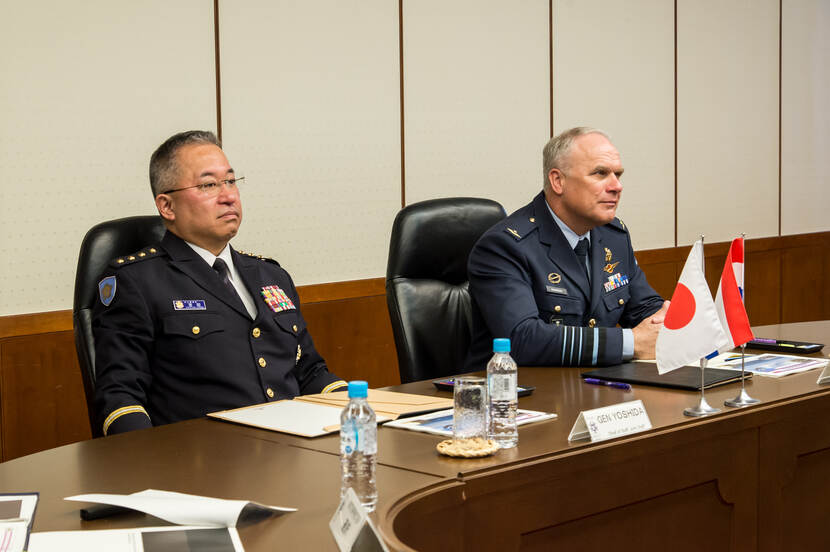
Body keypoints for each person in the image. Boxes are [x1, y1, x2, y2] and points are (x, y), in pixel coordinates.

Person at [92, 130, 346, 436]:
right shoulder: (137, 282)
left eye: (230, 181)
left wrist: (361, 411)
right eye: (209, 185)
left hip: (293, 453)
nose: (228, 196)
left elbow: (310, 371)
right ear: (167, 206)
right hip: (203, 464)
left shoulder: (272, 277)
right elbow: (121, 398)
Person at [465, 127, 669, 370]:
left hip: (594, 386)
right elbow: (523, 339)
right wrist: (631, 342)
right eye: (600, 173)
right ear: (558, 181)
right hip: (517, 396)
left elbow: (643, 308)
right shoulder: (506, 246)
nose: (616, 186)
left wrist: (666, 320)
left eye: (618, 175)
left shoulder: (614, 236)